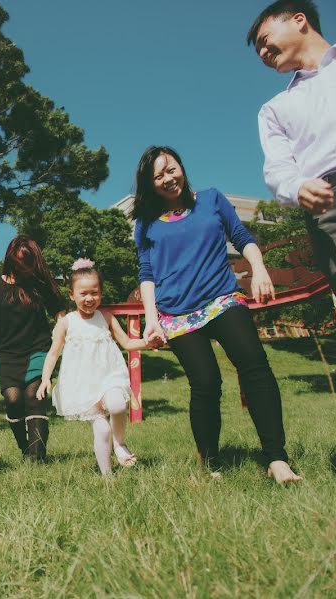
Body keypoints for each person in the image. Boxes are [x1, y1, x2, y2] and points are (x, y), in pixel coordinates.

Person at [133, 146, 301, 485]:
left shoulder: (211, 199)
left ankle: (276, 459)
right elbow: (147, 272)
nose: (169, 178)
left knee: (254, 365)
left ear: (182, 166)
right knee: (206, 381)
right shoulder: (146, 224)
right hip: (177, 313)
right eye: (159, 176)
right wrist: (152, 319)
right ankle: (211, 463)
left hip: (221, 299)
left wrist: (260, 269)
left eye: (172, 169)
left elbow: (241, 236)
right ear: (149, 185)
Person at [248, 0, 336, 339]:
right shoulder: (275, 110)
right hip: (332, 214)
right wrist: (297, 188)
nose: (263, 52)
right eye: (258, 51)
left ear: (299, 20)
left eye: (265, 39)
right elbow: (278, 168)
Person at [37, 259, 152, 475]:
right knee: (101, 429)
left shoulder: (106, 317)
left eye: (94, 293)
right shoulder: (66, 322)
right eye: (83, 293)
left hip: (110, 376)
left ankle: (120, 443)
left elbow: (127, 343)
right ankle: (108, 477)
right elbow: (53, 353)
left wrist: (148, 342)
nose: (89, 298)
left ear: (100, 293)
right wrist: (45, 379)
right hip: (84, 385)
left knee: (117, 405)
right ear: (72, 295)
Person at [0, 235, 62, 462]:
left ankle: (37, 458)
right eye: (20, 261)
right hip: (6, 353)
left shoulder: (39, 284)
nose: (24, 267)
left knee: (34, 395)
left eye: (28, 262)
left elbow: (58, 310)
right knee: (13, 399)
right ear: (11, 258)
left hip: (38, 349)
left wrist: (63, 334)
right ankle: (26, 449)